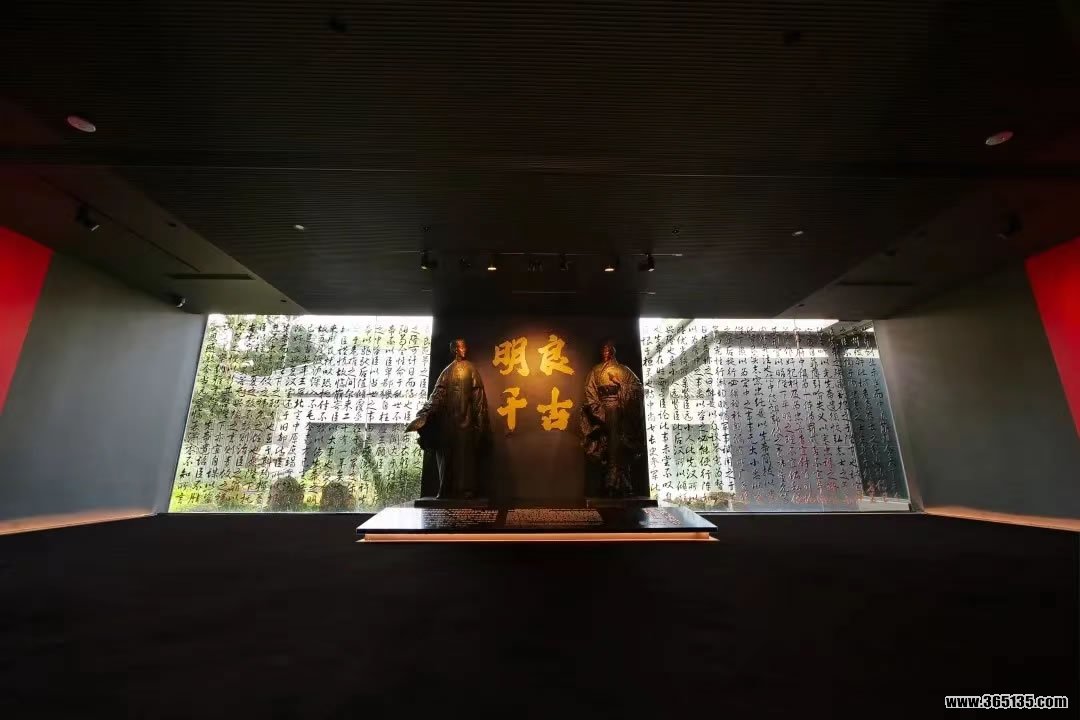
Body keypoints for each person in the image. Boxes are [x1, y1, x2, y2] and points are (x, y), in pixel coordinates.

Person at [407, 339, 491, 498]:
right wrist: (424, 414)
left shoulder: (471, 369)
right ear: (454, 350)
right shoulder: (446, 372)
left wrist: (481, 422)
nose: (463, 350)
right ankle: (445, 489)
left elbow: (479, 399)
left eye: (464, 347)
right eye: (460, 347)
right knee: (445, 458)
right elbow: (436, 396)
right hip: (447, 424)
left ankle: (466, 490)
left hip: (466, 422)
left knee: (465, 458)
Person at [580, 340, 645, 496]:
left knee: (619, 443)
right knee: (607, 444)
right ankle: (610, 480)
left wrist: (619, 383)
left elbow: (637, 388)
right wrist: (598, 411)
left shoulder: (624, 370)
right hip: (603, 410)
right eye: (604, 350)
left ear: (613, 352)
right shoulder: (596, 371)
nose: (605, 352)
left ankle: (617, 480)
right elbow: (589, 392)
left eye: (608, 350)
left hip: (621, 411)